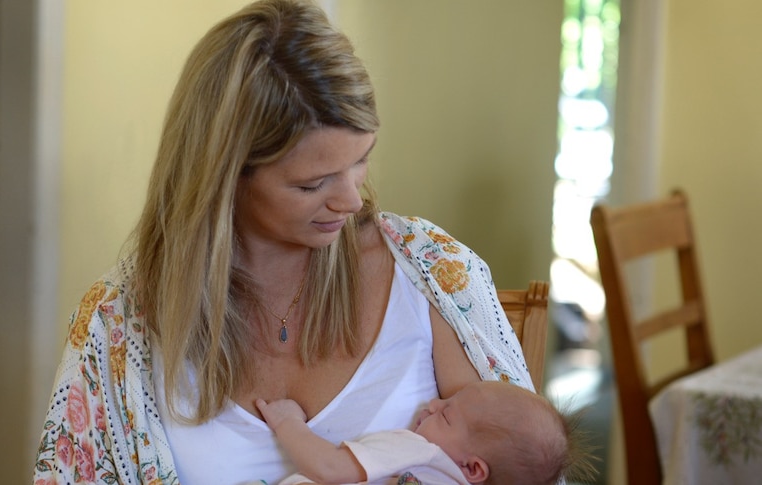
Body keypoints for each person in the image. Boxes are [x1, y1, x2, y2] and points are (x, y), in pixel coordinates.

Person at [32, 1, 538, 484]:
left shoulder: (433, 273)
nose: (351, 200)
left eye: (360, 160)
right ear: (224, 178)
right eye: (311, 184)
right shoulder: (121, 325)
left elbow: (529, 472)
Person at [258, 381, 589, 485]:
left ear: (473, 468)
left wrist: (288, 423)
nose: (432, 403)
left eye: (445, 415)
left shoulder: (420, 451)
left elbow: (328, 468)